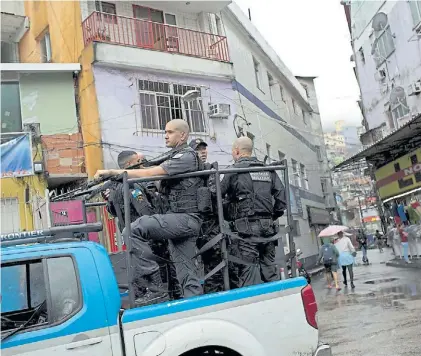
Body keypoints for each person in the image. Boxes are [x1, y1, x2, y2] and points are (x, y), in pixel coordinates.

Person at [95, 119, 208, 304]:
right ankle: (195, 311)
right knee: (186, 276)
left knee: (132, 230)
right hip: (180, 221)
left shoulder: (186, 157)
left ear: (183, 135)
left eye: (170, 132)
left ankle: (156, 288)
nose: (165, 135)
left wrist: (113, 172)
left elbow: (152, 173)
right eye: (165, 131)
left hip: (185, 219)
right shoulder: (175, 156)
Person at [102, 150, 182, 301]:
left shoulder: (113, 187)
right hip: (147, 237)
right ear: (130, 164)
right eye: (137, 161)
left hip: (132, 239)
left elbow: (112, 211)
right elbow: (145, 211)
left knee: (139, 272)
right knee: (165, 274)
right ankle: (173, 299)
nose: (141, 165)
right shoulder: (132, 185)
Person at [219, 136, 286, 288]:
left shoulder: (233, 171)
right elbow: (282, 199)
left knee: (248, 272)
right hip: (268, 227)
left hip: (245, 229)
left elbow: (217, 195)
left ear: (236, 151)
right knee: (270, 270)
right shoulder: (268, 170)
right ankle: (277, 302)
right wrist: (273, 215)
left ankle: (255, 308)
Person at [189, 138, 223, 293]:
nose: (202, 152)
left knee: (214, 264)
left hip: (210, 225)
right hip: (193, 224)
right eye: (198, 149)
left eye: (204, 149)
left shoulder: (210, 171)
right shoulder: (187, 173)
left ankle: (213, 294)